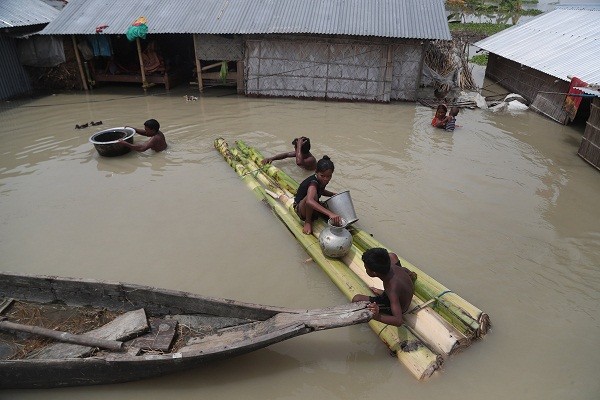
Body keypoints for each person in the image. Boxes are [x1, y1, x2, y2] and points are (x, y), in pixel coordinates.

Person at [352, 248, 417, 327]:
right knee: (392, 255)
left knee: (356, 299)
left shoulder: (391, 289)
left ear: (374, 273)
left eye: (366, 268)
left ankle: (360, 326)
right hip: (402, 290)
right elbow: (409, 273)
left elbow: (398, 321)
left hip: (400, 306)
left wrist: (377, 316)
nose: (365, 269)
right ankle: (384, 293)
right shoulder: (397, 268)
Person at [294, 155, 342, 234]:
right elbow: (309, 201)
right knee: (313, 197)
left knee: (329, 209)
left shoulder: (322, 180)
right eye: (322, 176)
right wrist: (330, 214)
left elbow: (321, 190)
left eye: (329, 176)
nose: (326, 179)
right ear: (316, 172)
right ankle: (308, 221)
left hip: (309, 206)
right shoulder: (313, 183)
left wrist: (333, 194)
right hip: (300, 208)